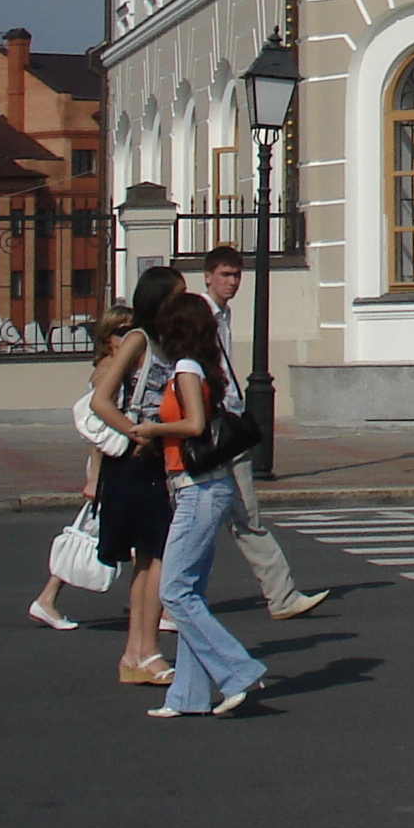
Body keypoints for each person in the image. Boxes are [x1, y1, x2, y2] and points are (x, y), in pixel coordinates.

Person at [131, 292, 267, 718]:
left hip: (198, 488)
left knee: (174, 591)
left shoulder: (186, 367)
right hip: (201, 486)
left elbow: (192, 424)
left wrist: (153, 429)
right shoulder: (198, 366)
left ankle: (237, 671)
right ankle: (187, 696)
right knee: (190, 592)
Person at [196, 246, 326, 621]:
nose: (232, 282)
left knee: (237, 517)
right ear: (207, 276)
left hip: (224, 425)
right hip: (213, 429)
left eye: (236, 275)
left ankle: (280, 595)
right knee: (224, 519)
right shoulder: (202, 314)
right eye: (224, 275)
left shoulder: (222, 313)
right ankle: (169, 598)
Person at [87, 266, 183, 685]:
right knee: (157, 555)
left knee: (150, 558)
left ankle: (137, 653)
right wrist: (135, 433)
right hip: (132, 460)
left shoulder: (169, 344)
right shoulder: (138, 340)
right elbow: (100, 399)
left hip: (154, 459)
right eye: (177, 295)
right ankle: (144, 652)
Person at [28, 301, 138, 631]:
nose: (130, 336)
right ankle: (47, 599)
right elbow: (99, 433)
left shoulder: (119, 366)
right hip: (110, 466)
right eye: (123, 331)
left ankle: (148, 603)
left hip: (117, 465)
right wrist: (94, 478)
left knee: (127, 534)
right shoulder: (109, 371)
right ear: (108, 337)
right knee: (98, 533)